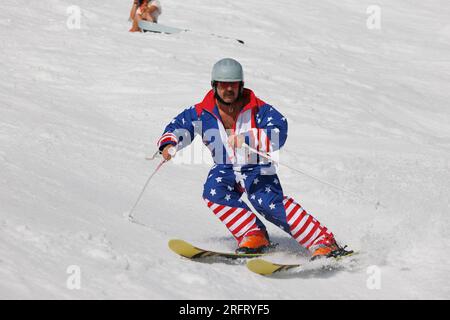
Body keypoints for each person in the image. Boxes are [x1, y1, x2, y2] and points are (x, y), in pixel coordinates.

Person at [157, 58, 351, 259]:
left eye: (233, 84)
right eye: (223, 85)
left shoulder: (258, 108)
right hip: (225, 166)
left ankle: (322, 241)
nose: (228, 90)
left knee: (267, 202)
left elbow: (278, 129)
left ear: (241, 85)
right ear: (214, 85)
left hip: (256, 166)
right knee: (214, 192)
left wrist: (249, 138)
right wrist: (169, 144)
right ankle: (253, 235)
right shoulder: (201, 111)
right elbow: (180, 125)